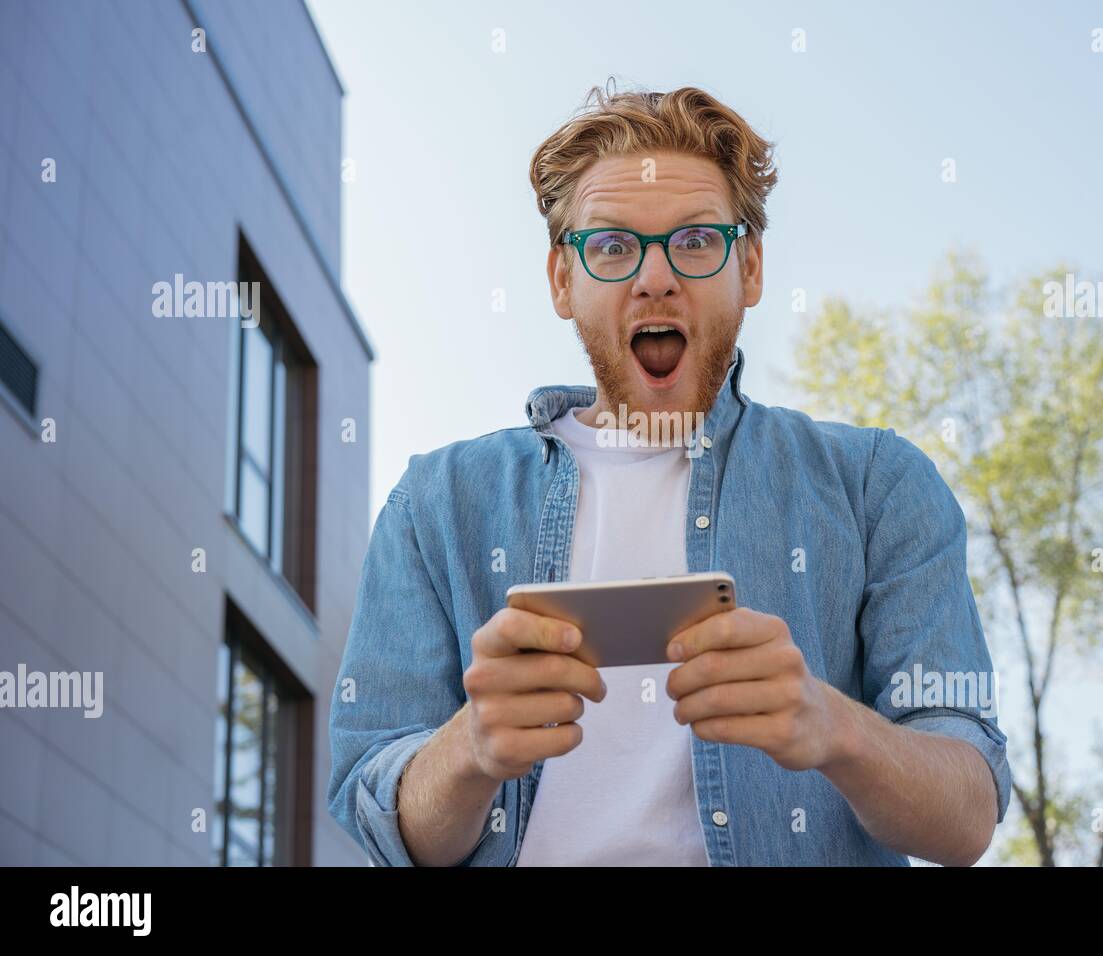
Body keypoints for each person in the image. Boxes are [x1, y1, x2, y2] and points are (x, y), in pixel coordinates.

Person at [327, 82, 1010, 867]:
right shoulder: (436, 505)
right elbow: (383, 826)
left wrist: (835, 728)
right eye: (614, 247)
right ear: (562, 280)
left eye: (694, 242)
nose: (655, 277)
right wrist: (470, 749)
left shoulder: (876, 486)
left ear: (749, 269)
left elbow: (967, 815)